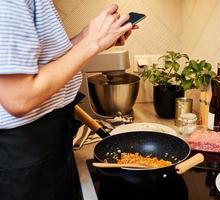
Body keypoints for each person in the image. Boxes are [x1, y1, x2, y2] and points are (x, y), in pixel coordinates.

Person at [0, 1, 136, 199]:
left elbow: (42, 63)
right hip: (24, 156)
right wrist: (94, 42)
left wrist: (87, 37)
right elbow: (18, 98)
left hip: (47, 144)